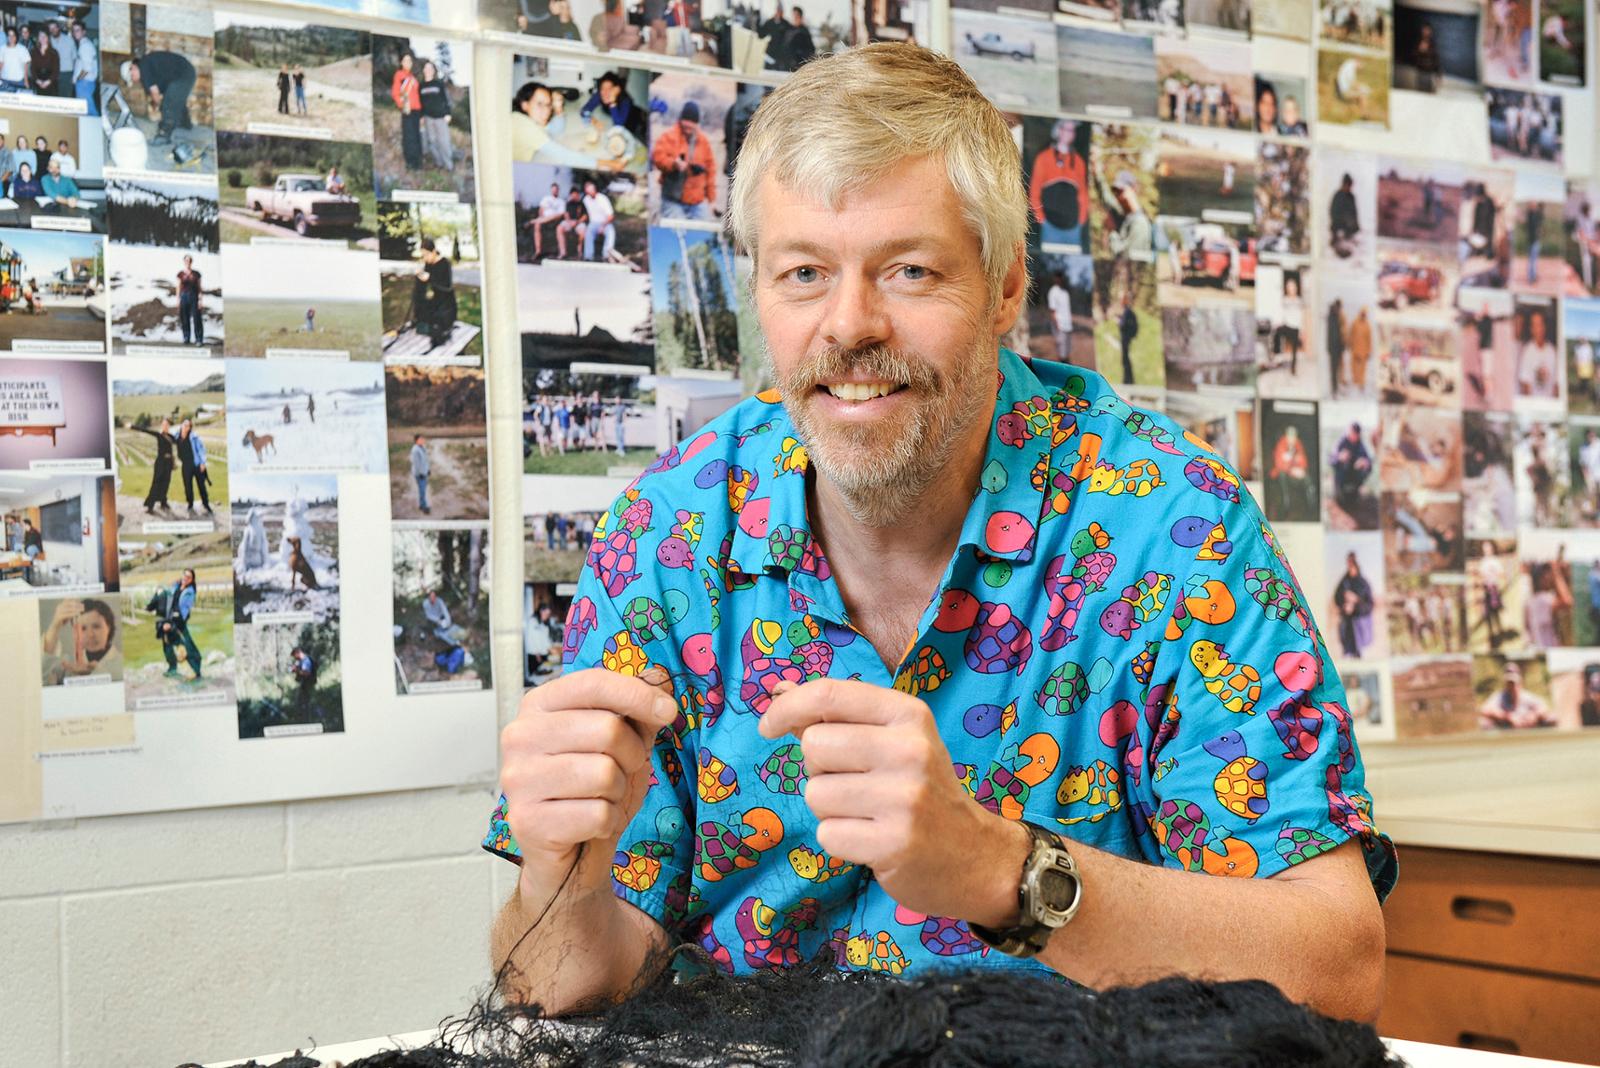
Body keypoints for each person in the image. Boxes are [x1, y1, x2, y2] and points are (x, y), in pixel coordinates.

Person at [487, 44, 1393, 1013]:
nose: (849, 327)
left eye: (909, 270)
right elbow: (559, 985)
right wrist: (561, 878)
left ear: (1005, 290)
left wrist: (1002, 872)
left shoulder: (1170, 527)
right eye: (802, 273)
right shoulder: (668, 528)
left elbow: (1336, 965)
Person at [510, 81, 627, 170]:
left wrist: (559, 109)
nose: (546, 110)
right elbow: (565, 156)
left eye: (548, 105)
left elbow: (555, 131)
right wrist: (610, 163)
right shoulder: (522, 125)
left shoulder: (530, 120)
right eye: (540, 104)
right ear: (525, 105)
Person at [652, 100, 717, 222]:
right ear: (681, 120)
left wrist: (712, 200)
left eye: (692, 125)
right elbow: (658, 158)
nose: (688, 128)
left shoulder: (704, 142)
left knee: (704, 227)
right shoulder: (668, 136)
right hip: (672, 199)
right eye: (686, 124)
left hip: (697, 201)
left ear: (697, 124)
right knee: (676, 227)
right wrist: (673, 164)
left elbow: (711, 171)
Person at [1028, 119, 1088, 249]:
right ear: (1058, 131)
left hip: (1073, 228)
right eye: (1067, 129)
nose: (1070, 133)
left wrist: (1081, 221)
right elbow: (1034, 193)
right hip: (1050, 226)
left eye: (1072, 130)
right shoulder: (1043, 158)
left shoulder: (1078, 161)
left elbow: (1082, 194)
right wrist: (1041, 219)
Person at [40, 598, 121, 685]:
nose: (90, 635)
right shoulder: (67, 664)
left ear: (109, 626)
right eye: (83, 628)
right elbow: (43, 680)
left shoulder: (122, 663)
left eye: (96, 626)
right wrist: (55, 625)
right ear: (75, 632)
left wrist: (97, 672)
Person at [122, 51, 196, 145]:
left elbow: (155, 92)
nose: (134, 80)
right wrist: (157, 103)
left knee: (169, 102)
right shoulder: (145, 67)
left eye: (132, 76)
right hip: (185, 73)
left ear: (132, 67)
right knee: (175, 98)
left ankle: (164, 136)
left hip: (184, 74)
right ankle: (185, 124)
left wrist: (158, 105)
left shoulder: (144, 67)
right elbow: (155, 92)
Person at [1479, 661, 1555, 729]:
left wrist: (1533, 715)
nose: (1512, 686)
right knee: (1483, 722)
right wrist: (1508, 717)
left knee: (1551, 718)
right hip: (1507, 728)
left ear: (1520, 682)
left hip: (1527, 727)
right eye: (1509, 683)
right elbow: (1484, 709)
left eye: (1514, 683)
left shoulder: (1527, 696)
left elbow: (1544, 708)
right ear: (1505, 683)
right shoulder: (1499, 696)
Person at [158, 568, 203, 681]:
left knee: (187, 645)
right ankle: (172, 668)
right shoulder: (176, 586)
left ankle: (196, 670)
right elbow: (169, 597)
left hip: (179, 621)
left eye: (189, 577)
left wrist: (172, 622)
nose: (186, 578)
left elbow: (184, 611)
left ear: (192, 580)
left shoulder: (190, 592)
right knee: (167, 644)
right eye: (185, 576)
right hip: (168, 618)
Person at [580, 71, 648, 144]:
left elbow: (618, 124)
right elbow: (584, 110)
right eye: (603, 88)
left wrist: (613, 101)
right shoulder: (600, 94)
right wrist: (594, 121)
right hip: (624, 128)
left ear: (616, 89)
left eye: (609, 88)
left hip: (640, 122)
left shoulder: (625, 100)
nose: (605, 92)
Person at [413, 237, 457, 349]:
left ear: (433, 251)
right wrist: (420, 276)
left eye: (426, 255)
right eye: (423, 256)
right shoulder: (428, 264)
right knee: (422, 316)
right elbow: (426, 288)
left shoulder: (445, 263)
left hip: (446, 305)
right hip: (435, 302)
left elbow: (446, 287)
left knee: (437, 327)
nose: (425, 258)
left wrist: (430, 278)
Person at [1332, 552, 1374, 658]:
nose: (1350, 566)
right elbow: (1337, 598)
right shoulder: (1343, 582)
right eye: (1348, 563)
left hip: (1360, 627)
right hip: (1346, 626)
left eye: (1352, 562)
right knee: (1347, 655)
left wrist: (1356, 602)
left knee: (1361, 656)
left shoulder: (1364, 584)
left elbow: (1369, 605)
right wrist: (1344, 605)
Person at [132, 417, 177, 514]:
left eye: (167, 424)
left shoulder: (171, 437)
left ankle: (163, 502)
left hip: (168, 463)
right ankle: (150, 506)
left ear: (169, 426)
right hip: (160, 462)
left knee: (166, 483)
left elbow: (179, 442)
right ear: (162, 425)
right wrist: (132, 426)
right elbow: (146, 430)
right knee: (156, 483)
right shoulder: (159, 435)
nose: (165, 426)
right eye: (164, 424)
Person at [1330, 421, 1372, 522]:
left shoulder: (1360, 444)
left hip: (1353, 476)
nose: (1354, 437)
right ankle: (1340, 498)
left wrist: (1364, 462)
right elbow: (1331, 459)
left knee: (1364, 471)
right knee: (1341, 501)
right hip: (1342, 477)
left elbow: (1368, 460)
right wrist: (1339, 458)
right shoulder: (1341, 442)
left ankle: (1354, 496)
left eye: (1356, 435)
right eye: (1352, 433)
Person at [1268, 423, 1312, 519]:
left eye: (1294, 436)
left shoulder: (1298, 444)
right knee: (1282, 476)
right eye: (1290, 436)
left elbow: (1303, 461)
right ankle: (1285, 503)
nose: (1292, 439)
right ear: (1286, 436)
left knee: (1307, 478)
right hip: (1282, 472)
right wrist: (1291, 469)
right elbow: (1279, 464)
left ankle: (1310, 504)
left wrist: (1300, 469)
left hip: (1294, 473)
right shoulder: (1281, 444)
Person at [418, 58, 453, 171]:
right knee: (432, 142)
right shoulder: (421, 86)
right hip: (428, 118)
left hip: (440, 117)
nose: (428, 70)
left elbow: (446, 99)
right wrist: (421, 116)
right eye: (426, 68)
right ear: (424, 70)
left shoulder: (439, 84)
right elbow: (420, 103)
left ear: (433, 71)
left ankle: (449, 166)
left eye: (430, 68)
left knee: (444, 142)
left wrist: (448, 113)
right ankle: (439, 163)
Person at [391, 53, 424, 171]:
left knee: (416, 136)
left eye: (409, 61)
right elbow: (395, 93)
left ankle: (418, 163)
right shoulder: (399, 75)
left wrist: (421, 114)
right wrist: (403, 105)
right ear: (402, 63)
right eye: (405, 61)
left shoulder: (414, 79)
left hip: (417, 112)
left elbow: (418, 97)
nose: (408, 63)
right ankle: (410, 164)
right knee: (408, 137)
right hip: (407, 110)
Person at [174, 418, 212, 516]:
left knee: (201, 486)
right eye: (185, 425)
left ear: (190, 427)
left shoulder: (194, 437)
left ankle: (206, 504)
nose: (186, 427)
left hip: (196, 464)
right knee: (188, 486)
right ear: (181, 425)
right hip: (185, 465)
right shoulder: (177, 436)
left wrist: (203, 463)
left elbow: (201, 450)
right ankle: (190, 504)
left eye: (188, 426)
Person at [1517, 308, 1557, 396]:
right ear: (1531, 329)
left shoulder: (1552, 351)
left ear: (1544, 326)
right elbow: (1525, 384)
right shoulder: (1527, 351)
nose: (1538, 329)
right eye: (1534, 325)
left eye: (1540, 324)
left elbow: (1556, 384)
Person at [526, 182, 566, 260]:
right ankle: (538, 251)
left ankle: (532, 221)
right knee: (538, 225)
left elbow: (560, 215)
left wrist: (545, 219)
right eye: (553, 189)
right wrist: (541, 216)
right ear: (551, 190)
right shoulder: (546, 198)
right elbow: (541, 210)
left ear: (558, 190)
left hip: (554, 220)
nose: (554, 191)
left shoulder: (561, 201)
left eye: (556, 190)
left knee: (550, 217)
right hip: (544, 219)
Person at [581, 178, 616, 262]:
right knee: (588, 231)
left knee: (611, 233)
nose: (590, 192)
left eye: (591, 189)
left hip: (605, 222)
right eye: (588, 190)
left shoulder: (603, 199)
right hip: (593, 223)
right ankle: (588, 256)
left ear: (594, 189)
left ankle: (606, 255)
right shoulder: (585, 200)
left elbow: (611, 216)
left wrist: (603, 226)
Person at [68, 21, 96, 115]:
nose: (75, 33)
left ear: (84, 32)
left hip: (85, 83)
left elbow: (87, 69)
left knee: (89, 111)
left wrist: (78, 79)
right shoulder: (84, 44)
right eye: (74, 31)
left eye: (78, 30)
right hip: (85, 83)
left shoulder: (85, 46)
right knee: (85, 110)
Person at [1045, 270, 1072, 361]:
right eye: (1057, 277)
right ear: (1055, 278)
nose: (1059, 279)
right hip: (1060, 326)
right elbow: (1052, 310)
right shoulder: (1053, 292)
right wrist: (1057, 326)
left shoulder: (1065, 292)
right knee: (1061, 352)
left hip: (1068, 325)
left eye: (1061, 277)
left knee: (1067, 351)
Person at [1409, 22, 1440, 91]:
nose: (1426, 32)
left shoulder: (1432, 43)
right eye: (1424, 30)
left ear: (1430, 31)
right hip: (1420, 71)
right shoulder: (1418, 41)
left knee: (1429, 92)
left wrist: (1438, 74)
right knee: (1420, 91)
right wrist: (1419, 50)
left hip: (1430, 72)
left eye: (1427, 30)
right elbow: (1412, 56)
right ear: (1422, 31)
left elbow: (1436, 59)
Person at [1346, 306, 1372, 391]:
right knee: (1354, 367)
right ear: (1360, 313)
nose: (1364, 315)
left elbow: (1369, 339)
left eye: (1365, 314)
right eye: (1363, 313)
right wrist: (1349, 344)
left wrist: (1369, 351)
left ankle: (1361, 383)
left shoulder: (1367, 325)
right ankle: (1355, 381)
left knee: (1362, 369)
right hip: (1355, 349)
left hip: (1364, 351)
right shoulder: (1355, 323)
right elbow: (1350, 334)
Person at [1117, 291, 1138, 384]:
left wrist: (1118, 321)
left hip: (1125, 338)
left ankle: (1128, 380)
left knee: (1125, 359)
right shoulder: (1129, 312)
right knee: (1125, 359)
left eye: (1121, 300)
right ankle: (1128, 379)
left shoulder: (1127, 312)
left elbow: (1123, 325)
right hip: (1128, 338)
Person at [28, 30, 56, 96]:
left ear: (48, 38)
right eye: (40, 36)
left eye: (44, 36)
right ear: (38, 38)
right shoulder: (34, 51)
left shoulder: (54, 52)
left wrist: (48, 82)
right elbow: (32, 68)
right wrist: (37, 81)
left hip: (51, 82)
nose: (42, 38)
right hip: (37, 81)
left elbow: (56, 70)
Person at [0, 28, 28, 92]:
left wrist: (26, 82)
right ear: (6, 37)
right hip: (4, 81)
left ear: (16, 37)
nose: (11, 37)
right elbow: (1, 64)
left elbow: (25, 67)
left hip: (19, 82)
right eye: (9, 35)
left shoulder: (23, 49)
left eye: (13, 35)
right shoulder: (2, 48)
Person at [410, 433, 431, 515]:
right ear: (416, 440)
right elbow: (416, 464)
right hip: (419, 474)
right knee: (422, 490)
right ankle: (424, 507)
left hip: (424, 471)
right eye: (421, 439)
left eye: (423, 439)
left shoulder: (422, 447)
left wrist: (428, 469)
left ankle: (421, 504)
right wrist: (421, 473)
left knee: (423, 489)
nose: (423, 440)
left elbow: (425, 460)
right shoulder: (415, 450)